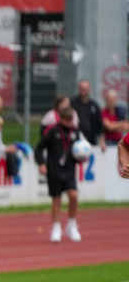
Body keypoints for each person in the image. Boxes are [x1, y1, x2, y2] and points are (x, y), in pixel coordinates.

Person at [35, 107, 83, 243]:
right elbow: (39, 148)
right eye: (66, 120)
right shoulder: (52, 131)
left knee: (73, 196)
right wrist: (41, 163)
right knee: (56, 199)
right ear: (60, 119)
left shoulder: (76, 132)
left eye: (70, 120)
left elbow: (79, 150)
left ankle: (72, 224)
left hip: (69, 170)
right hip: (54, 169)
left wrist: (81, 158)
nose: (68, 123)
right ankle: (56, 227)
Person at [71, 79, 104, 150]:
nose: (84, 91)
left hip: (91, 140)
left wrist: (101, 139)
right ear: (79, 89)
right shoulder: (73, 104)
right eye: (82, 89)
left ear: (89, 89)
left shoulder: (94, 105)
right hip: (75, 140)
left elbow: (99, 124)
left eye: (86, 89)